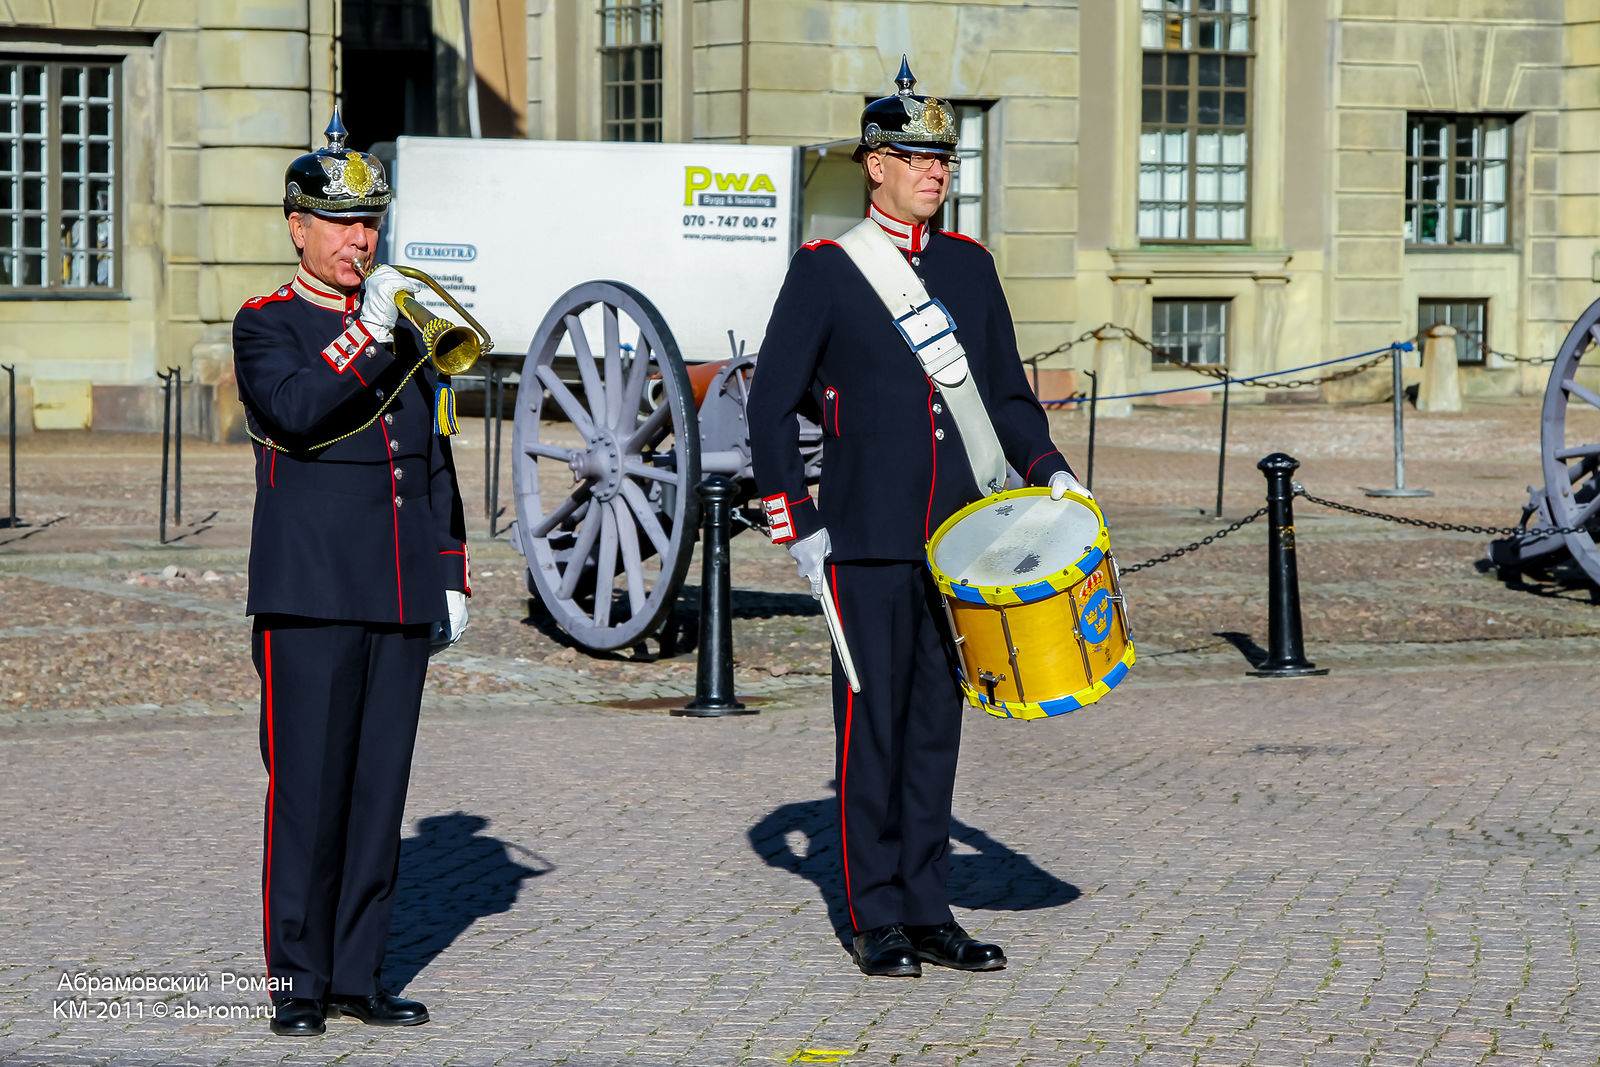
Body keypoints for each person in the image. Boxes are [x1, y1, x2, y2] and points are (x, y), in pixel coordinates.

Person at [746, 59, 1089, 978]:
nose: (935, 171)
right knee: (873, 727)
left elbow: (1007, 397)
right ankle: (874, 912)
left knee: (937, 726)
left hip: (959, 538)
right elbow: (769, 405)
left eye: (943, 157)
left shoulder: (969, 268)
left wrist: (1052, 471)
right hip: (863, 536)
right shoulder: (828, 271)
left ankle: (929, 905)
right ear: (876, 165)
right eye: (917, 157)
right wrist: (796, 519)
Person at [233, 111, 471, 1036]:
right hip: (311, 589)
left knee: (378, 793)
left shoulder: (406, 328)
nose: (358, 241)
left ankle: (358, 973)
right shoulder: (268, 324)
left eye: (368, 223)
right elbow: (295, 410)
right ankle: (298, 979)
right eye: (339, 224)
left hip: (398, 586)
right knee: (308, 792)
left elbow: (432, 456)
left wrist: (449, 568)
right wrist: (367, 335)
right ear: (297, 226)